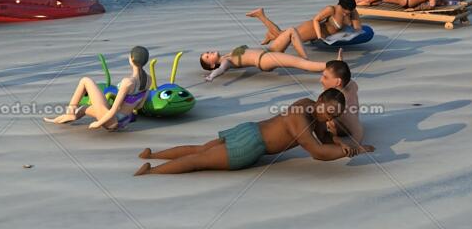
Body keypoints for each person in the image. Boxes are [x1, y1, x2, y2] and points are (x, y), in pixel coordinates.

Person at [135, 90, 363, 175]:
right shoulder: (300, 118)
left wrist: (342, 143)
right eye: (329, 112)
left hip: (251, 128)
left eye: (334, 116)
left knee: (201, 151)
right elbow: (317, 152)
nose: (329, 118)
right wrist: (345, 151)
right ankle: (152, 169)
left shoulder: (308, 105)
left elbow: (323, 137)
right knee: (199, 158)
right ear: (321, 100)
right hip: (249, 145)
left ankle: (152, 157)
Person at [45, 46, 151, 130]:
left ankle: (70, 113)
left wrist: (98, 123)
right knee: (83, 109)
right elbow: (139, 106)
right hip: (123, 122)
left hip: (112, 121)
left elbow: (113, 111)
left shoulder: (127, 82)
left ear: (131, 59)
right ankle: (62, 118)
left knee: (85, 80)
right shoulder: (148, 80)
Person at [245, 0, 361, 59]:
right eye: (344, 11)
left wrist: (351, 29)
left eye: (348, 12)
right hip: (312, 29)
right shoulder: (332, 9)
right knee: (286, 38)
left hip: (322, 34)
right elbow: (316, 19)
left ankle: (271, 34)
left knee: (282, 35)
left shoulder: (351, 11)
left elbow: (357, 28)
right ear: (340, 5)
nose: (346, 14)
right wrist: (320, 36)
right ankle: (261, 15)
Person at [320, 60, 372, 153]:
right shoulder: (351, 84)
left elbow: (358, 130)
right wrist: (339, 64)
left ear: (337, 82)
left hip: (342, 131)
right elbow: (344, 75)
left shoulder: (342, 107)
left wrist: (354, 146)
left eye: (325, 77)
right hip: (349, 121)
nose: (321, 80)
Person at [199, 46, 336, 81]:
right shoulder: (225, 61)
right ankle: (333, 65)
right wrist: (211, 76)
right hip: (263, 60)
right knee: (299, 62)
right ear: (211, 65)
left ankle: (330, 66)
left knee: (299, 62)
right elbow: (221, 70)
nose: (210, 53)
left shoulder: (227, 55)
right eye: (207, 56)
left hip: (266, 56)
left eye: (207, 52)